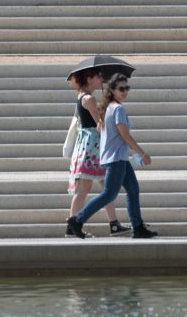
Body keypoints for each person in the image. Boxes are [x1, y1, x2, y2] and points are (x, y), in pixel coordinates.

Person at [66, 73, 158, 239]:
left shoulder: (108, 107)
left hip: (117, 157)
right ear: (113, 91)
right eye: (121, 89)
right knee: (109, 194)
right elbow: (125, 135)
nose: (124, 92)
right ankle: (77, 220)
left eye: (127, 88)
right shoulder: (118, 109)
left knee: (133, 189)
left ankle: (137, 226)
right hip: (116, 158)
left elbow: (103, 129)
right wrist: (142, 153)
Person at [67, 68, 131, 237]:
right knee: (87, 189)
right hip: (93, 149)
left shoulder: (82, 96)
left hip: (90, 148)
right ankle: (73, 225)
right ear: (89, 79)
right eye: (98, 77)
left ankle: (113, 224)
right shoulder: (89, 99)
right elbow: (100, 125)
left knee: (105, 188)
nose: (101, 79)